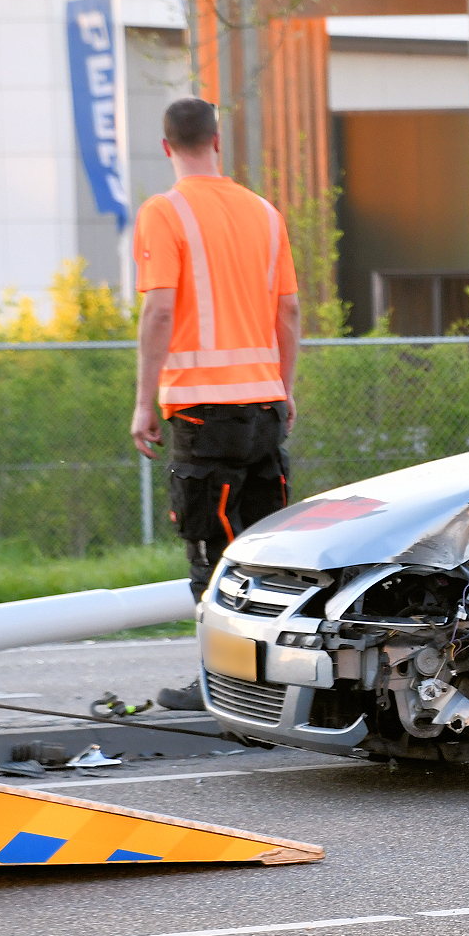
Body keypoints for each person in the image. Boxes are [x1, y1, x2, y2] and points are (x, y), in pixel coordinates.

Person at [130, 97, 301, 711]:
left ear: (166, 146)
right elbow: (288, 311)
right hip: (264, 409)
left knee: (211, 553)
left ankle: (218, 685)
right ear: (217, 140)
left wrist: (143, 402)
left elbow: (159, 310)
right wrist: (284, 388)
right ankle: (271, 682)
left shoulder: (164, 212)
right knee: (263, 554)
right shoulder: (264, 213)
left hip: (203, 414)